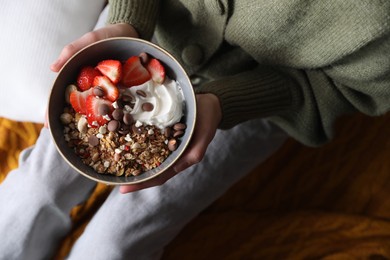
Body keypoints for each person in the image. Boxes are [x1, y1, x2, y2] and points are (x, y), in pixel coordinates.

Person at [1, 1, 389, 259]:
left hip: (261, 101)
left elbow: (335, 90)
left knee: (113, 245)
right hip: (145, 32)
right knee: (34, 191)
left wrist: (222, 105)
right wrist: (128, 17)